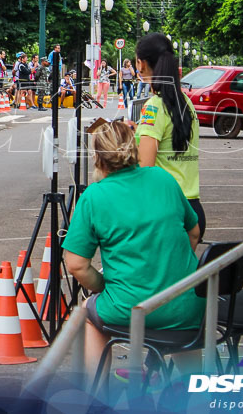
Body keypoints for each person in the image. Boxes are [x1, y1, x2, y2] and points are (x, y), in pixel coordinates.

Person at [63, 119, 203, 376]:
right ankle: (193, 392)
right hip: (187, 304)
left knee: (87, 316)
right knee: (179, 325)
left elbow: (76, 264)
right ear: (133, 148)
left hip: (130, 307)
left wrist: (104, 288)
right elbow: (194, 231)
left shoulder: (94, 196)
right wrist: (170, 267)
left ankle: (96, 397)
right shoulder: (163, 178)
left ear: (99, 158)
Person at [133, 32, 204, 238]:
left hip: (166, 210)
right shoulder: (186, 103)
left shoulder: (154, 105)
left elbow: (145, 168)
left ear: (142, 64)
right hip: (192, 208)